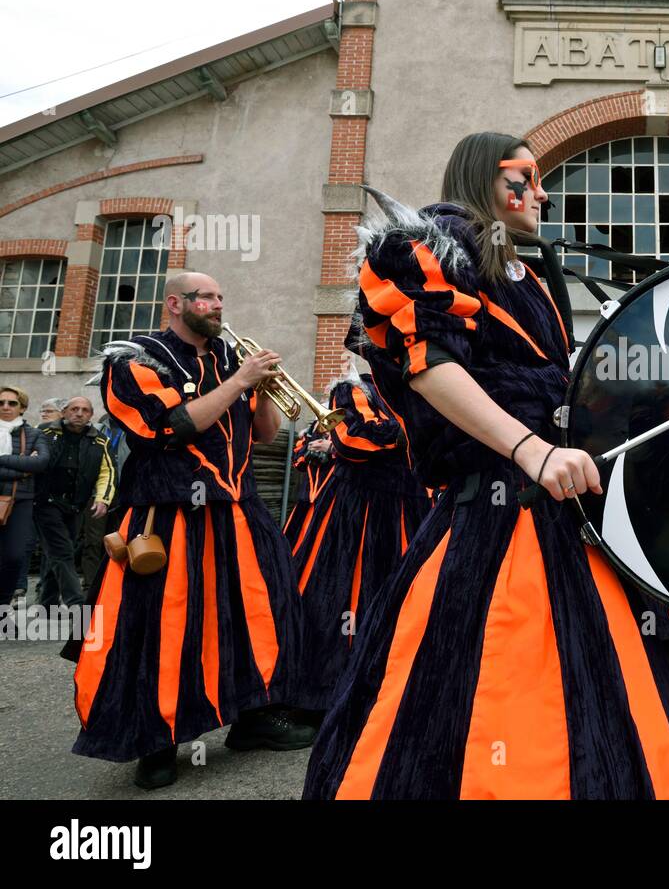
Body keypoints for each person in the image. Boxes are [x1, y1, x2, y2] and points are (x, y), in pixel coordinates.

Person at [302, 132, 669, 799]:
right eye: (526, 176)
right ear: (482, 177)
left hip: (559, 516)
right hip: (492, 512)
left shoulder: (529, 277)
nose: (543, 192)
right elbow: (430, 365)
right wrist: (531, 448)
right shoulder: (425, 248)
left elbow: (555, 391)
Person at [67, 271, 313, 790]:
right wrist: (241, 382)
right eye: (207, 296)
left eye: (222, 296)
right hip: (169, 513)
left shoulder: (228, 359)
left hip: (239, 507)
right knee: (165, 627)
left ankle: (253, 718)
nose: (219, 304)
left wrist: (264, 390)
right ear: (176, 303)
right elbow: (167, 429)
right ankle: (157, 741)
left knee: (262, 613)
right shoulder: (134, 359)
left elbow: (266, 433)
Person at [293, 370, 430, 714]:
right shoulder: (353, 389)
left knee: (405, 602)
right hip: (361, 512)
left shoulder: (425, 388)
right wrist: (416, 428)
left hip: (412, 507)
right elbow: (356, 440)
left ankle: (393, 692)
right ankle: (325, 698)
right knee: (341, 601)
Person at [33, 396, 114, 608]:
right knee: (62, 551)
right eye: (74, 409)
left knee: (59, 551)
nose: (79, 413)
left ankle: (47, 604)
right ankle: (77, 604)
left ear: (91, 415)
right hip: (45, 503)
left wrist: (102, 499)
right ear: (64, 411)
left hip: (75, 505)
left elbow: (108, 472)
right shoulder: (43, 432)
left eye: (85, 410)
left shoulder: (99, 440)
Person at [0, 387, 51, 604]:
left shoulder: (34, 434)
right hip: (13, 491)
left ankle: (2, 607)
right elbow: (29, 465)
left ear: (22, 408)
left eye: (12, 403)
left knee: (14, 557)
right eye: (1, 402)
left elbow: (40, 463)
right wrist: (22, 468)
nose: (5, 407)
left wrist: (1, 458)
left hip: (20, 500)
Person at [283, 420, 336, 551]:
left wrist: (333, 448)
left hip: (332, 500)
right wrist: (308, 450)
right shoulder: (315, 426)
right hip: (306, 500)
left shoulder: (352, 423)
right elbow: (298, 463)